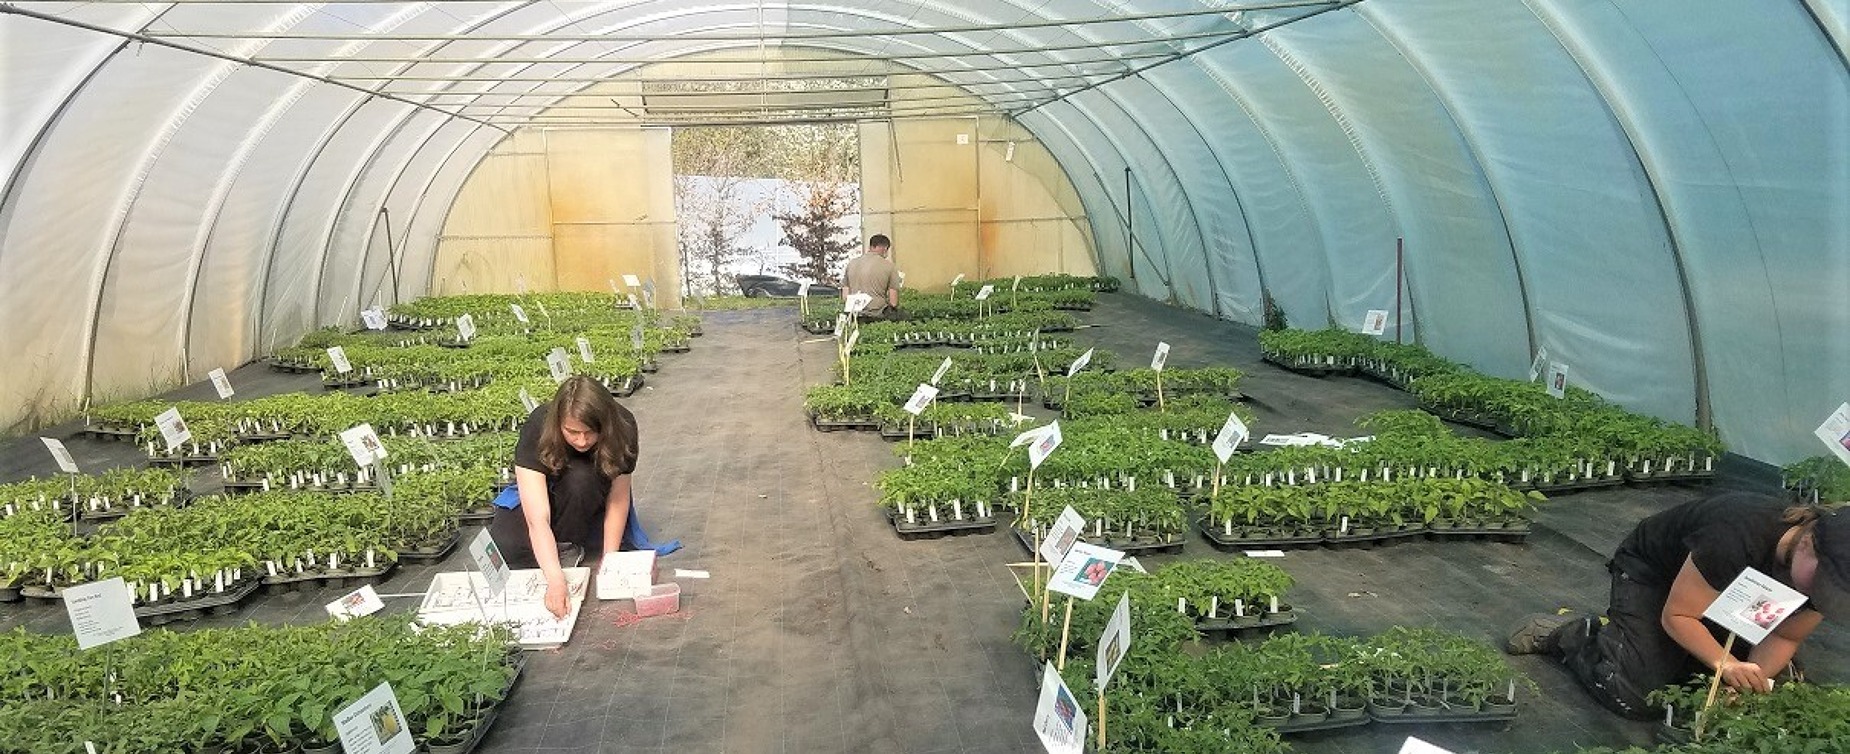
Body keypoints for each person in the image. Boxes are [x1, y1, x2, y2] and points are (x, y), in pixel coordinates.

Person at [1506, 492, 1846, 719]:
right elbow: (1679, 615)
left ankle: (1641, 644)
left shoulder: (1820, 580)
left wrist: (1741, 684)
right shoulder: (1735, 535)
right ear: (1808, 541)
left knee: (1769, 688)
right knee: (1637, 692)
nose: (1821, 595)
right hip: (1655, 575)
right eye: (1821, 583)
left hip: (1719, 593)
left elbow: (1785, 637)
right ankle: (1576, 635)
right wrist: (1725, 664)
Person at [488, 376, 640, 619]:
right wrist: (556, 580)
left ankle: (569, 544)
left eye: (590, 432)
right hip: (549, 490)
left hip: (589, 490)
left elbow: (619, 499)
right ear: (558, 423)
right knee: (506, 543)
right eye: (572, 432)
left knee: (580, 479)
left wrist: (610, 560)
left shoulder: (623, 425)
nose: (582, 440)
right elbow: (537, 518)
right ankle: (556, 550)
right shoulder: (538, 427)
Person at [843, 233, 902, 319]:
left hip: (853, 314)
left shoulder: (851, 263)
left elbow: (845, 296)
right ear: (885, 248)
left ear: (870, 247)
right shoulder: (889, 266)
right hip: (877, 314)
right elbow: (893, 302)